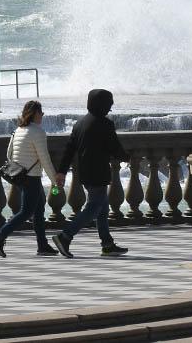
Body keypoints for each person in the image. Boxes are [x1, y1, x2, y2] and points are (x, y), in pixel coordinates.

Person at [51, 89, 129, 258]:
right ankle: (65, 236)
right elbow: (114, 147)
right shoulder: (105, 124)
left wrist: (61, 171)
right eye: (109, 105)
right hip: (99, 172)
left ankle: (107, 244)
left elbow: (69, 150)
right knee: (94, 207)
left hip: (84, 172)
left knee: (102, 207)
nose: (109, 109)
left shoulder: (79, 124)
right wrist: (126, 157)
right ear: (103, 105)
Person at [0, 100, 59, 257]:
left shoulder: (18, 130)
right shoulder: (37, 132)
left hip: (20, 176)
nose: (42, 116)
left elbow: (9, 155)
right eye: (41, 113)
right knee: (27, 212)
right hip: (32, 177)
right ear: (34, 113)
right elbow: (45, 158)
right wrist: (55, 181)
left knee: (39, 209)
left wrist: (21, 166)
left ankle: (42, 245)